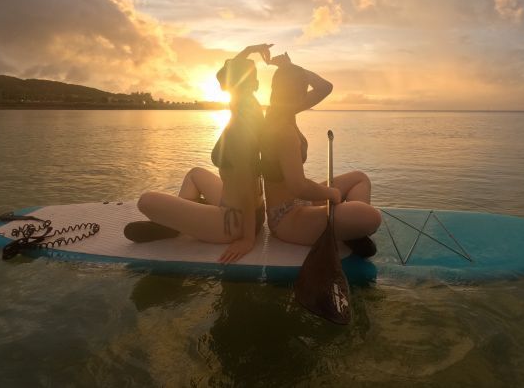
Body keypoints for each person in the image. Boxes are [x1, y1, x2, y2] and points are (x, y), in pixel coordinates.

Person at [124, 44, 271, 264]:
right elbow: (226, 72)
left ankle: (176, 225)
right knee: (196, 174)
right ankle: (179, 223)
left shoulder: (240, 126)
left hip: (232, 222)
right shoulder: (251, 106)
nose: (222, 81)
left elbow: (246, 179)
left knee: (145, 201)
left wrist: (247, 240)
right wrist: (249, 50)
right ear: (255, 84)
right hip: (253, 212)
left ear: (229, 85)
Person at [260, 53, 381, 257]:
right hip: (286, 218)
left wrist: (288, 67)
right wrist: (331, 194)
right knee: (371, 217)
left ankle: (348, 229)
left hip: (301, 204)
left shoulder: (284, 110)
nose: (307, 95)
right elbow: (298, 186)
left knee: (360, 178)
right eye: (303, 89)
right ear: (296, 93)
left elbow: (325, 87)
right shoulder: (282, 130)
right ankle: (350, 228)